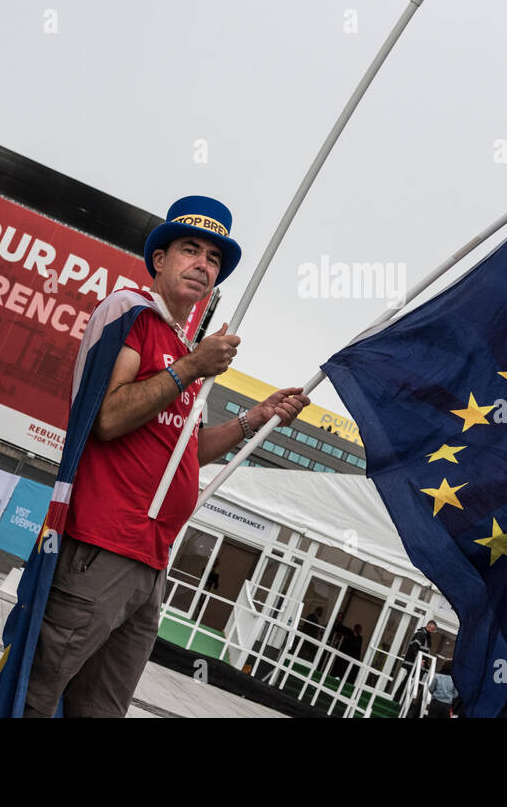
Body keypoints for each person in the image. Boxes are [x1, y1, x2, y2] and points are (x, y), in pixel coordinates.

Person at [22, 195, 310, 718]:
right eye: (190, 249)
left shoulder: (182, 346)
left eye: (214, 259)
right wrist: (193, 367)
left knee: (101, 710)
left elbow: (187, 451)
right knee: (37, 695)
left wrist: (256, 417)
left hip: (151, 561)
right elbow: (108, 417)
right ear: (159, 259)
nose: (203, 264)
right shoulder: (131, 312)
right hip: (102, 547)